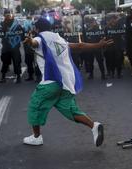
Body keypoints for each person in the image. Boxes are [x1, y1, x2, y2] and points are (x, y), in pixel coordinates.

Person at [23, 18, 113, 146]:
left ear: (37, 29)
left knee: (35, 105)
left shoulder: (40, 38)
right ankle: (94, 126)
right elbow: (80, 46)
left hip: (51, 81)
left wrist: (30, 41)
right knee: (71, 110)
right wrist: (98, 45)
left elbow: (35, 43)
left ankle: (36, 137)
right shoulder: (59, 39)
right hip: (66, 82)